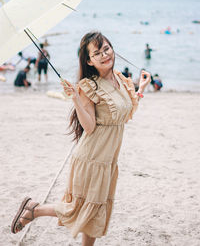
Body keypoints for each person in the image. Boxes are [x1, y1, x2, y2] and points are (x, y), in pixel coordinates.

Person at [11, 32, 151, 245]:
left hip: (108, 160)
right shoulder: (89, 86)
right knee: (80, 209)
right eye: (97, 53)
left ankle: (34, 210)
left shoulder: (121, 80)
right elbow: (90, 126)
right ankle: (35, 210)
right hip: (91, 158)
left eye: (106, 48)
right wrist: (76, 98)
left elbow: (125, 114)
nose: (105, 55)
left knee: (95, 213)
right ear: (89, 60)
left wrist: (140, 89)